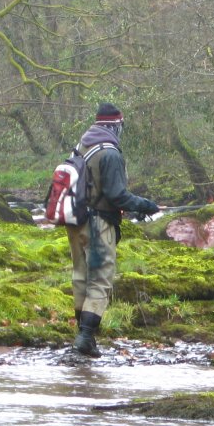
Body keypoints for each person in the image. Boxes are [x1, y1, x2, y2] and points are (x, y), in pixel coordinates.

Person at [68, 102, 158, 357]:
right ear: (115, 125)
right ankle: (86, 337)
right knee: (100, 280)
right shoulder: (110, 153)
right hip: (98, 225)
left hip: (75, 222)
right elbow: (117, 195)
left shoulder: (82, 144)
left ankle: (83, 335)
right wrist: (146, 205)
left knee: (80, 277)